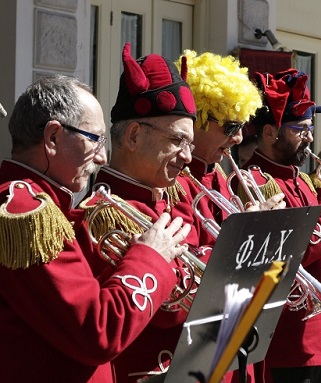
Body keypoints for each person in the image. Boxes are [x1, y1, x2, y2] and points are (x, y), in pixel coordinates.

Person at [0, 75, 191, 382]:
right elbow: (98, 330)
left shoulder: (41, 205)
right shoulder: (27, 213)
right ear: (52, 138)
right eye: (94, 139)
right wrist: (151, 257)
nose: (102, 157)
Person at [82, 43, 204, 383]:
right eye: (178, 140)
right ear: (134, 135)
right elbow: (170, 310)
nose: (188, 156)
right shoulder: (102, 212)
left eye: (190, 144)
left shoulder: (162, 199)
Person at [242, 69, 321, 383]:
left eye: (310, 129)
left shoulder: (302, 181)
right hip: (294, 344)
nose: (310, 138)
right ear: (271, 133)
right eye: (301, 129)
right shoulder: (253, 181)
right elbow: (296, 249)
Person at [174, 50, 286, 383]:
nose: (238, 139)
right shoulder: (173, 182)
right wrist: (245, 234)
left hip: (236, 331)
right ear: (198, 121)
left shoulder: (220, 176)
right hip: (198, 350)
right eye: (230, 126)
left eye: (241, 127)